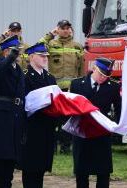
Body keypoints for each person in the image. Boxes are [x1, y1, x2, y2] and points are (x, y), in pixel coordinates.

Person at [70, 58, 121, 188]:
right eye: (101, 74)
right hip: (82, 134)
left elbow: (119, 109)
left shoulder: (113, 87)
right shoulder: (77, 84)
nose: (104, 78)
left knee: (103, 172)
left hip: (101, 134)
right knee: (82, 172)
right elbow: (70, 108)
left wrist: (115, 127)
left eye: (107, 76)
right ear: (94, 69)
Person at [40, 19, 84, 154]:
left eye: (67, 28)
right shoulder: (51, 44)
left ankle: (66, 147)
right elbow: (38, 46)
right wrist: (50, 35)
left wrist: (80, 86)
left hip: (71, 90)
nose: (65, 30)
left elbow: (81, 68)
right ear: (57, 29)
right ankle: (51, 147)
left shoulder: (77, 46)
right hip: (55, 88)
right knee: (53, 119)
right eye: (62, 28)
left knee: (68, 119)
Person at [0, 35, 25, 188]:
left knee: (9, 163)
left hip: (14, 117)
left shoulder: (18, 69)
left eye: (19, 51)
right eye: (16, 51)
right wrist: (9, 58)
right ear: (6, 51)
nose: (19, 54)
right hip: (1, 118)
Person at [20, 43, 57, 188]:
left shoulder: (50, 78)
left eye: (46, 56)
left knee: (41, 168)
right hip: (31, 128)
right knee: (30, 169)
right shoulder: (25, 77)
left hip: (46, 128)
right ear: (31, 57)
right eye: (41, 56)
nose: (45, 59)